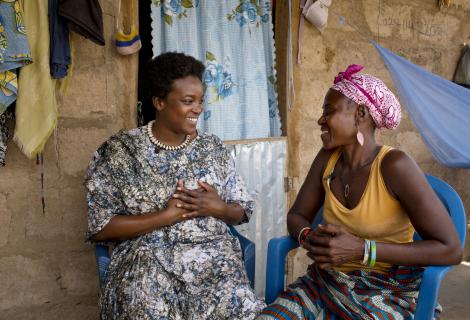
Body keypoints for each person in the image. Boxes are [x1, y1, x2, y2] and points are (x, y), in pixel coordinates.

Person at [258, 64, 462, 319]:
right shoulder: (326, 159)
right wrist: (309, 237)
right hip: (326, 283)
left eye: (328, 111)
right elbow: (296, 215)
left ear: (360, 114)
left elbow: (451, 249)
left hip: (387, 288)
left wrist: (363, 249)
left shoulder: (395, 166)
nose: (321, 119)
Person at [85, 52, 266, 319]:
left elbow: (241, 212)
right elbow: (100, 228)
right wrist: (164, 217)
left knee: (239, 307)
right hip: (147, 263)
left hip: (213, 261)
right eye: (188, 101)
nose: (198, 109)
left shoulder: (212, 149)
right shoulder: (122, 151)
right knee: (145, 306)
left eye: (200, 101)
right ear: (159, 102)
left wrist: (218, 208)